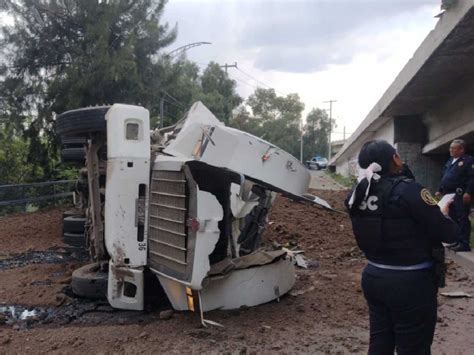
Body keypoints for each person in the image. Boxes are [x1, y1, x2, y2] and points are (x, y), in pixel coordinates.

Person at [345, 140, 457, 355]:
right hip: (411, 282)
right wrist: (441, 214)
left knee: (380, 342)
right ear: (395, 159)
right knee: (414, 347)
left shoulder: (358, 193)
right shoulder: (409, 191)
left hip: (374, 275)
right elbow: (447, 233)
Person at [435, 139, 474, 252]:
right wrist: (440, 190)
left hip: (460, 194)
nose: (450, 150)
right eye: (450, 148)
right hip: (448, 194)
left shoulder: (468, 160)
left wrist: (469, 192)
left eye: (453, 148)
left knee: (462, 218)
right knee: (453, 217)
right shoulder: (450, 161)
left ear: (461, 149)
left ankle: (464, 243)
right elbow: (445, 177)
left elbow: (472, 177)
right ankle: (456, 240)